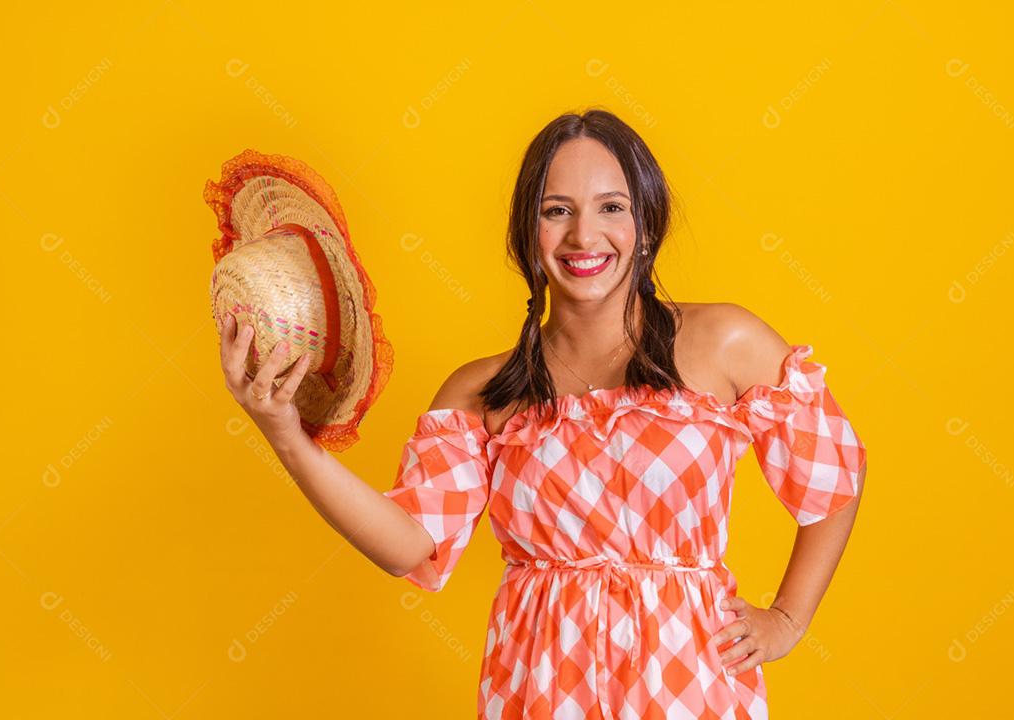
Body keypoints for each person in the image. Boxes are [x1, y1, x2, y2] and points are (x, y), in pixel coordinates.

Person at [218, 108, 867, 719]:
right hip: (540, 686)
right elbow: (407, 546)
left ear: (646, 221)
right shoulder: (484, 391)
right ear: (528, 229)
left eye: (611, 208)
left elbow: (835, 475)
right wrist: (286, 435)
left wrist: (787, 618)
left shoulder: (726, 342)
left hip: (690, 684)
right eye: (558, 211)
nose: (585, 235)